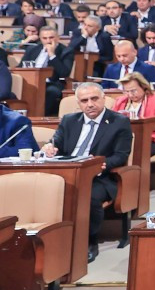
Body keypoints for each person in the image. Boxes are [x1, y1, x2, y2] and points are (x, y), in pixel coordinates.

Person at [42, 83, 134, 260]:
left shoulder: (119, 121)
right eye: (84, 101)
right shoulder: (69, 120)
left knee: (86, 196)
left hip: (99, 177)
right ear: (78, 103)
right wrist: (50, 148)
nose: (90, 104)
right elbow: (56, 143)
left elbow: (120, 156)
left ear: (104, 99)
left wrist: (96, 164)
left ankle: (89, 241)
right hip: (68, 173)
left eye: (94, 99)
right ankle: (54, 239)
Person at [111, 72, 155, 157]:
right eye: (126, 91)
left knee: (132, 152)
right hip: (124, 140)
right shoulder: (120, 101)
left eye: (133, 91)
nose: (130, 95)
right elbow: (111, 121)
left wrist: (144, 123)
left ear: (143, 87)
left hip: (150, 139)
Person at [21, 26, 71, 116]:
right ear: (40, 39)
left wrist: (52, 55)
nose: (48, 41)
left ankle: (39, 117)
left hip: (53, 83)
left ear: (57, 38)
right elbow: (21, 66)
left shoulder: (66, 51)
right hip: (31, 82)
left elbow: (64, 72)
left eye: (51, 37)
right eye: (45, 38)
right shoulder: (32, 49)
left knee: (51, 92)